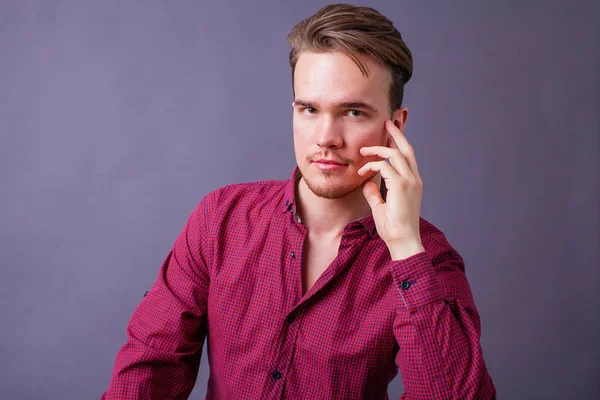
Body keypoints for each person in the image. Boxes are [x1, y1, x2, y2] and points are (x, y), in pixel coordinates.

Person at [102, 4, 496, 399]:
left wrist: (405, 248)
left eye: (354, 112)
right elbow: (151, 365)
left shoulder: (428, 261)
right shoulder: (220, 219)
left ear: (396, 127)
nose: (326, 136)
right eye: (309, 109)